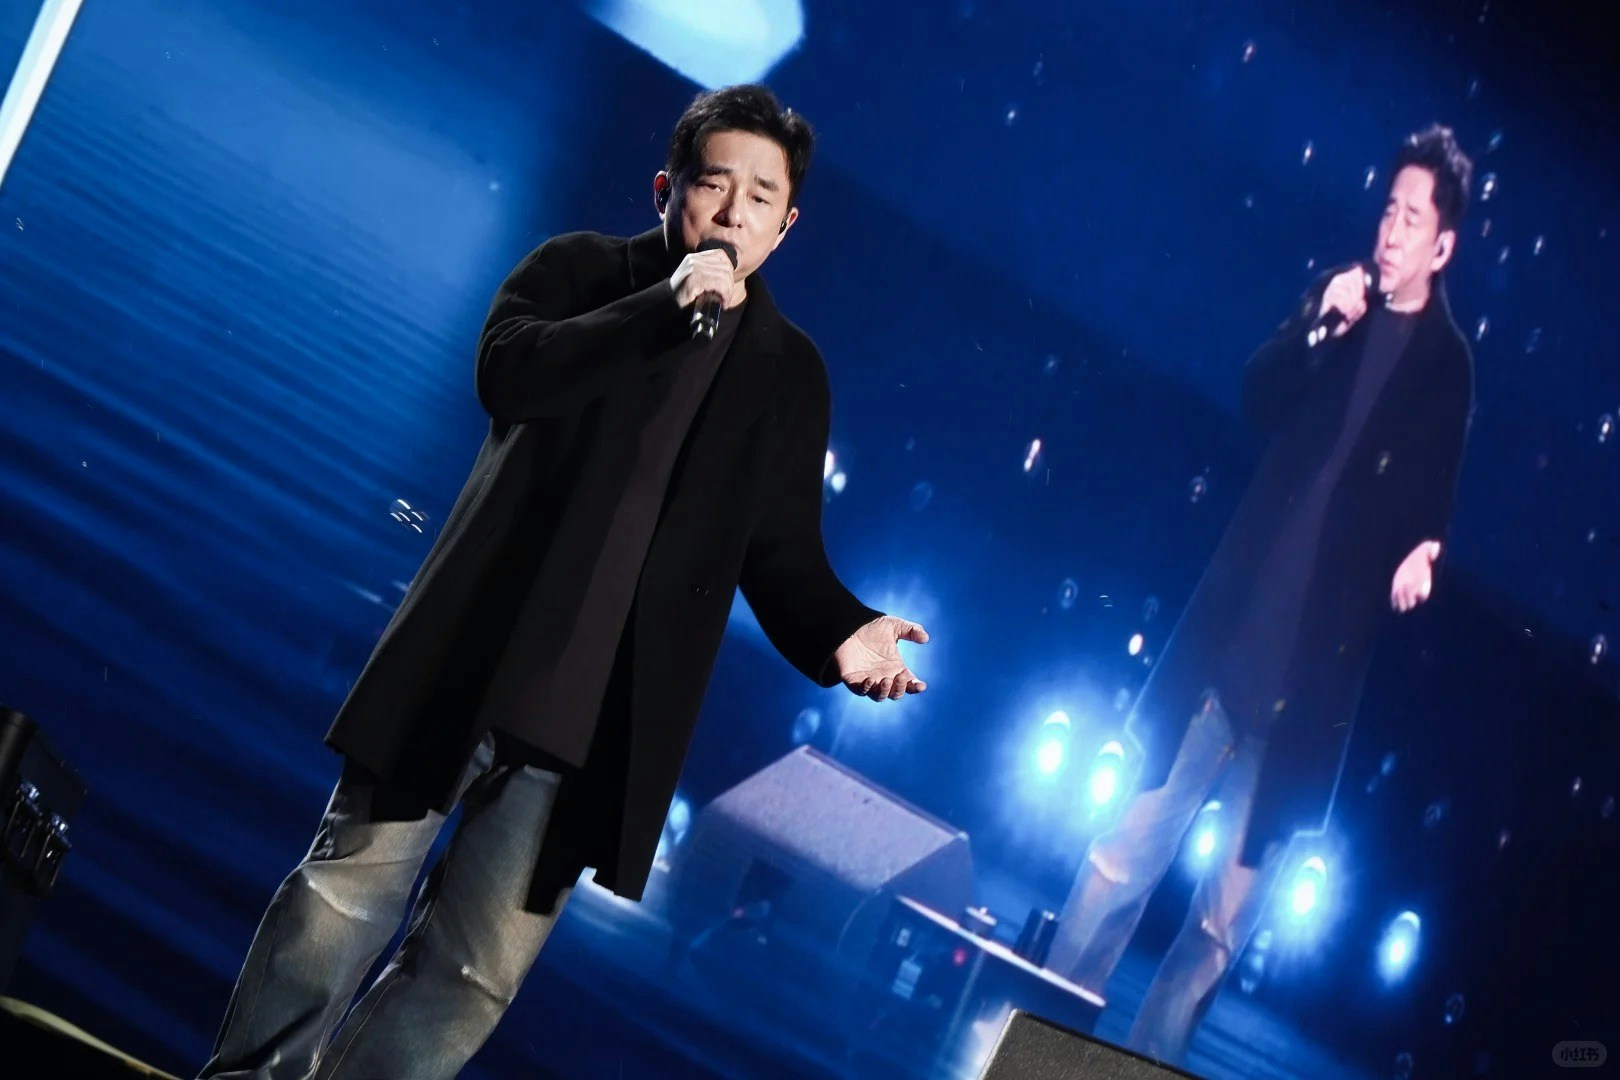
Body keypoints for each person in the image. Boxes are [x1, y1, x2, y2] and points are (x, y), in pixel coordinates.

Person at [199, 84, 929, 1080]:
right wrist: (661, 308)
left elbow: (780, 550)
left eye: (761, 197)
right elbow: (510, 374)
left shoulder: (789, 374)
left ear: (786, 224)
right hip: (467, 660)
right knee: (341, 901)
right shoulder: (580, 270)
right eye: (713, 184)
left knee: (471, 977)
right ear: (668, 189)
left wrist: (844, 632)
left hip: (594, 728)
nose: (732, 213)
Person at [1044, 125, 1476, 1064]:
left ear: (1443, 246)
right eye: (1389, 209)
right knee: (1117, 864)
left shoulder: (1447, 369)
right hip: (1223, 657)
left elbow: (1431, 507)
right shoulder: (1336, 297)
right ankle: (1040, 1057)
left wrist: (1424, 554)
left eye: (1412, 219)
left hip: (1302, 705)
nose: (1391, 230)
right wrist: (1322, 326)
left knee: (1213, 937)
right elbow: (1257, 397)